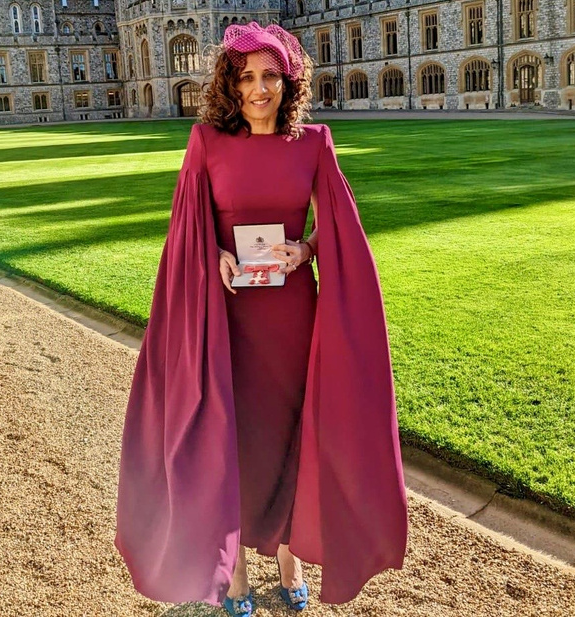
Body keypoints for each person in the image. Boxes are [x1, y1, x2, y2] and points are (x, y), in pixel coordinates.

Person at [114, 22, 408, 617]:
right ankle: (238, 574)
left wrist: (304, 251)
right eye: (246, 77)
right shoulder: (206, 143)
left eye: (269, 76)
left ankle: (290, 561)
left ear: (287, 80)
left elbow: (337, 227)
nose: (258, 88)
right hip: (230, 320)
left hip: (291, 316)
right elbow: (186, 232)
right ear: (230, 84)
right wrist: (216, 254)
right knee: (237, 438)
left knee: (294, 435)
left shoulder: (314, 143)